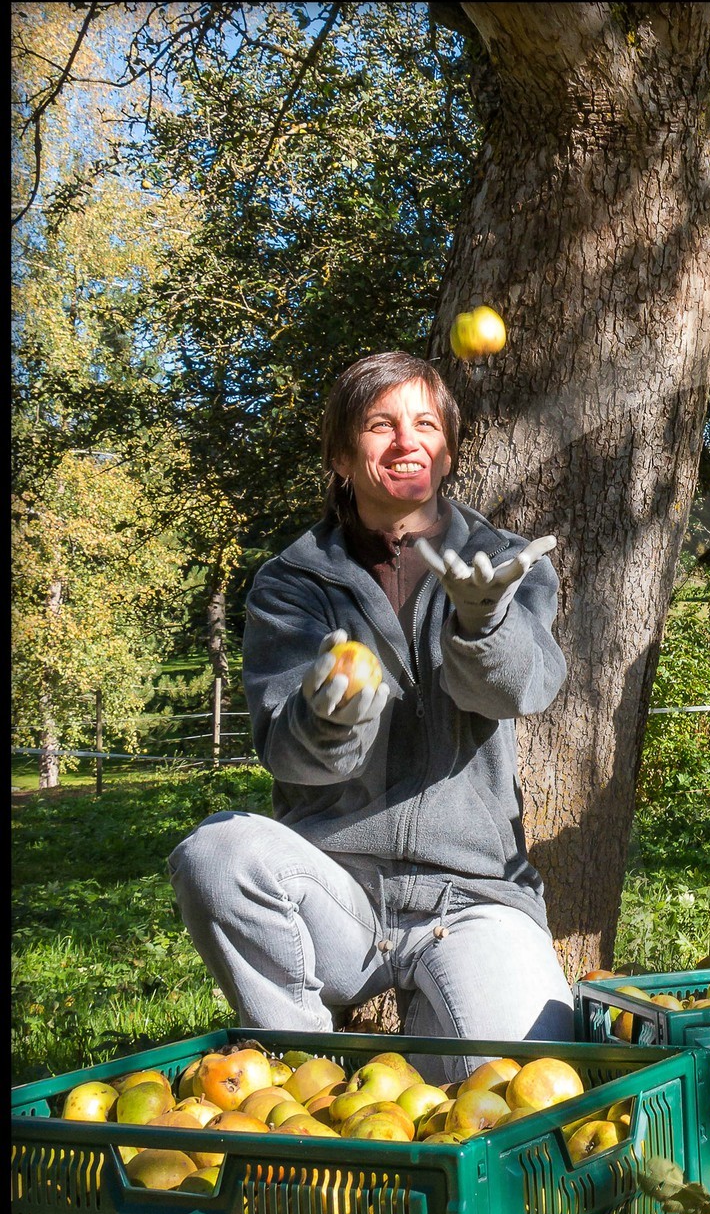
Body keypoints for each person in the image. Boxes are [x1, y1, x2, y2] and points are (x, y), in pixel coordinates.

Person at [168, 351, 573, 1077]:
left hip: (472, 896)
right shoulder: (291, 583)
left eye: (423, 423)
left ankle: (432, 1031)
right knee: (216, 854)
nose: (405, 441)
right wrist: (325, 713)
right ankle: (306, 1073)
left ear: (447, 450)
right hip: (337, 889)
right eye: (379, 424)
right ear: (341, 454)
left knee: (521, 1090)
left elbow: (521, 691)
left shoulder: (502, 564)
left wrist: (485, 628)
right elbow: (287, 755)